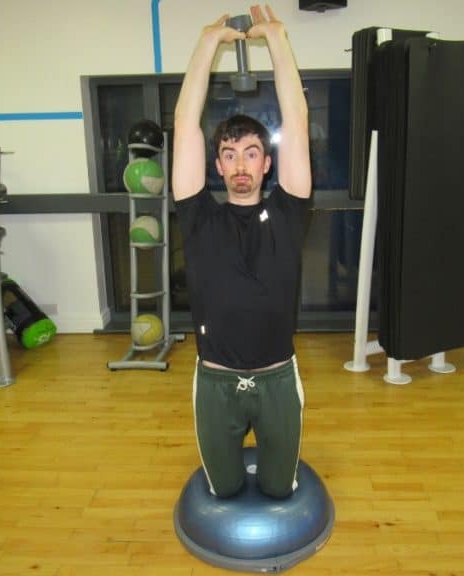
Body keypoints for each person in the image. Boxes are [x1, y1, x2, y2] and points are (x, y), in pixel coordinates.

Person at [171, 5, 311, 499]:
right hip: (216, 382)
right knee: (224, 489)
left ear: (267, 162)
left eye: (251, 152)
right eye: (229, 155)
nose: (240, 165)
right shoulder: (200, 216)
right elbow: (185, 127)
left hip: (276, 379)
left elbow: (296, 119)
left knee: (278, 490)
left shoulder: (289, 211)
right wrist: (209, 43)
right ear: (218, 165)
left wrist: (275, 39)